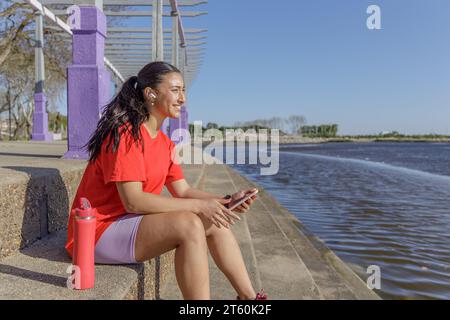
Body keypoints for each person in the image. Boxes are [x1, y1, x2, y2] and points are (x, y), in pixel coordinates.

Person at [64, 61, 265, 300]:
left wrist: (227, 200)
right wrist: (201, 207)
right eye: (175, 90)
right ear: (150, 94)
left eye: (184, 91)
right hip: (96, 234)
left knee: (216, 220)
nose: (182, 98)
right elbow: (134, 202)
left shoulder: (164, 143)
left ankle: (250, 299)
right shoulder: (126, 135)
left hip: (129, 224)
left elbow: (183, 191)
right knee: (188, 224)